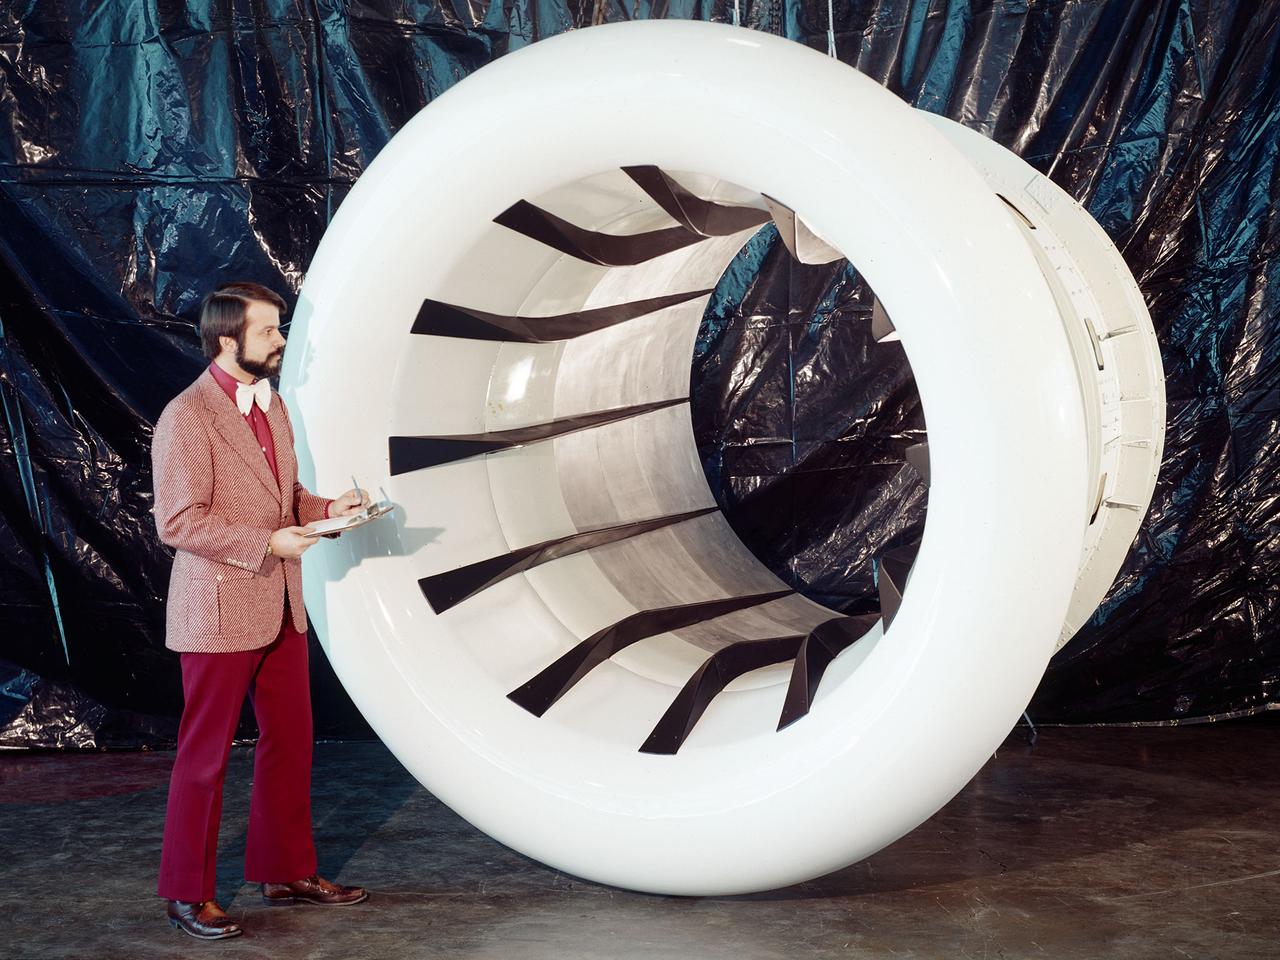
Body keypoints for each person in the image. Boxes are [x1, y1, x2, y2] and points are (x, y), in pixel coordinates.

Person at [151, 281, 370, 941]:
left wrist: (330, 510)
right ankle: (187, 894)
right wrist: (265, 543)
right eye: (270, 330)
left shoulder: (273, 408)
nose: (281, 341)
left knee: (291, 742)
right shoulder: (186, 416)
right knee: (206, 756)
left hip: (281, 604)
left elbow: (288, 496)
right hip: (219, 609)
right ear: (228, 340)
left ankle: (286, 870)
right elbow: (178, 520)